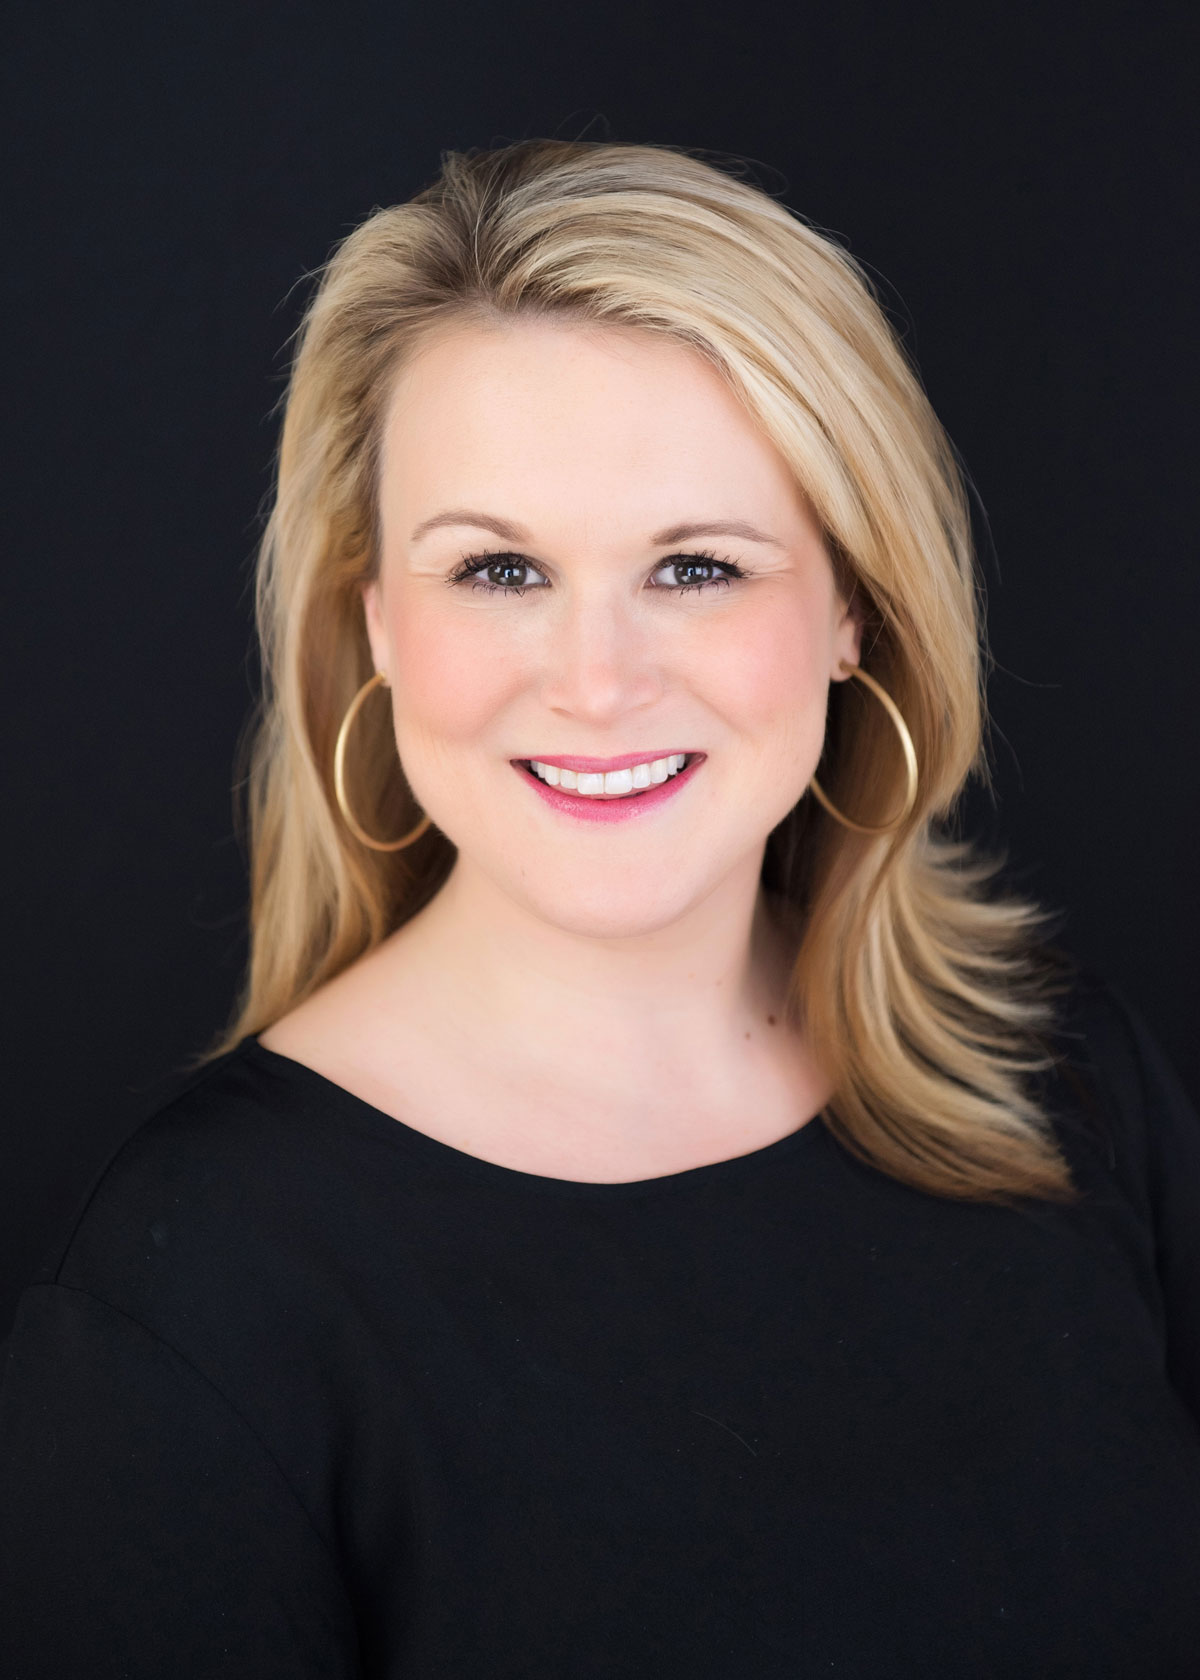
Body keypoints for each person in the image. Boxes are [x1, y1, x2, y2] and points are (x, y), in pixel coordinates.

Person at [1, 139, 1198, 1678]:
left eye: (696, 566)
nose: (596, 682)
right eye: (498, 570)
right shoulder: (189, 1305)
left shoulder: (1062, 1078)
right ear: (376, 619)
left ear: (853, 605)